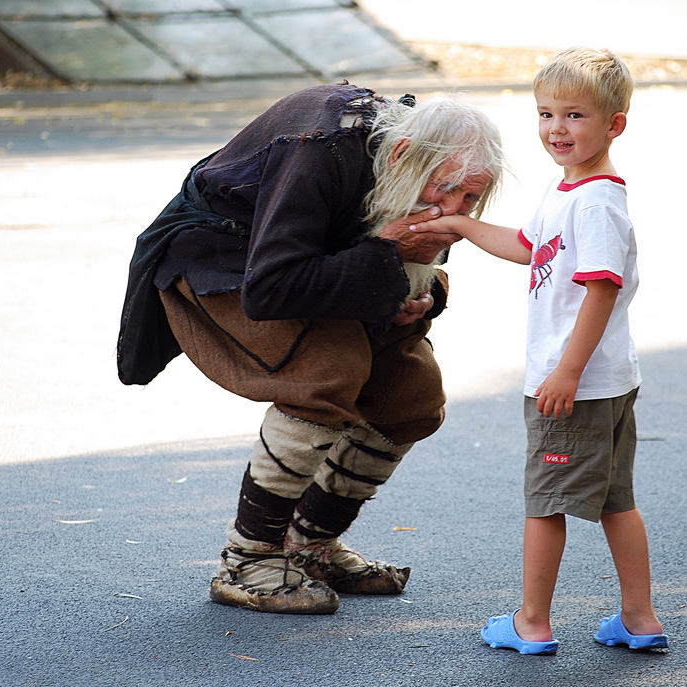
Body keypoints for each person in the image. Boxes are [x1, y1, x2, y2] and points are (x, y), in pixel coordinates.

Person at [117, 81, 504, 614]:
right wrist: (385, 261)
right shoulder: (321, 146)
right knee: (327, 371)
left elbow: (403, 256)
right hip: (226, 258)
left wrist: (421, 293)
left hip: (314, 264)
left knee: (411, 395)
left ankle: (310, 547)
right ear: (401, 155)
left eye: (470, 198)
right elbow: (273, 286)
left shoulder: (414, 164)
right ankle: (247, 561)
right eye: (447, 190)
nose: (454, 212)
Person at [411, 48, 669, 653]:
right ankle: (639, 619)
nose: (557, 128)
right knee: (614, 501)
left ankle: (532, 622)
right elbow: (530, 247)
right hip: (602, 382)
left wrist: (566, 371)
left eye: (575, 115)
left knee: (544, 504)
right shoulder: (569, 191)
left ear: (614, 125)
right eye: (546, 113)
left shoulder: (597, 201)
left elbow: (601, 287)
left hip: (576, 383)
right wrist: (461, 228)